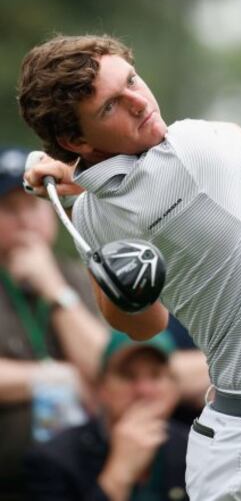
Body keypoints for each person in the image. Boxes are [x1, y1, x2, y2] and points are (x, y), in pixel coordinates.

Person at [19, 35, 241, 501]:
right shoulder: (194, 150)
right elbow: (145, 321)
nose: (140, 102)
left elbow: (141, 319)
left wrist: (79, 182)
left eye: (133, 80)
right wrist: (77, 182)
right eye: (111, 106)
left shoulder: (94, 215)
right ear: (75, 140)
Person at [0, 147, 109, 501]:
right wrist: (51, 377)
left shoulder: (79, 277)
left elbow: (107, 367)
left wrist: (55, 291)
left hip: (80, 479)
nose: (26, 220)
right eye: (10, 209)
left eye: (34, 205)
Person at [25, 330, 189, 501]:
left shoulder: (193, 449)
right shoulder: (53, 459)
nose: (144, 390)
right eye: (128, 376)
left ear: (174, 387)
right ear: (102, 388)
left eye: (156, 375)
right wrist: (118, 476)